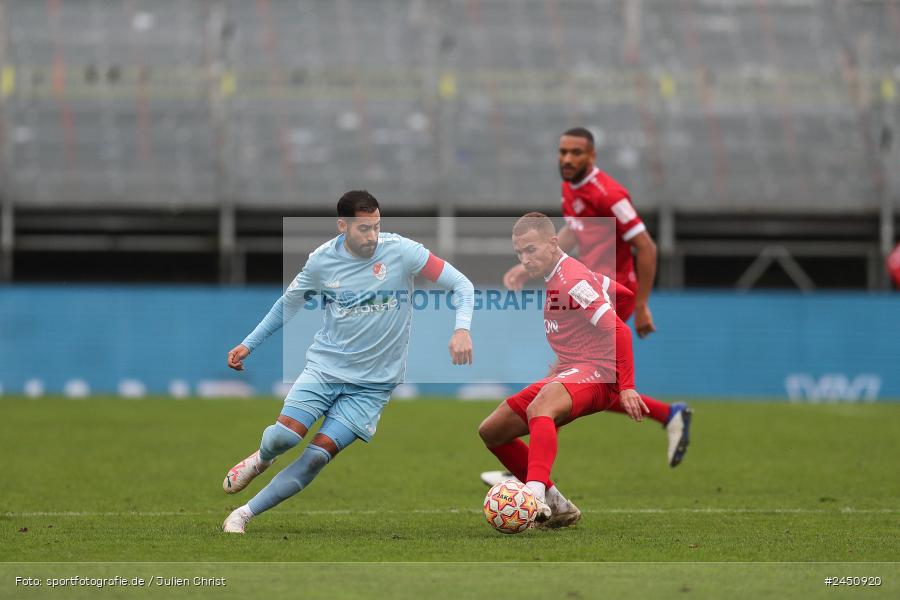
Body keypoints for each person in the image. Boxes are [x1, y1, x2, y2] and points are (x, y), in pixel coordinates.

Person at [221, 190, 475, 533]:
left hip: (373, 386)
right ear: (343, 226)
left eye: (376, 227)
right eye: (363, 229)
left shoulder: (402, 251)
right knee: (284, 438)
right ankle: (261, 459)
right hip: (325, 369)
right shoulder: (321, 261)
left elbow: (461, 284)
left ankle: (243, 514)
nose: (372, 236)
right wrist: (249, 344)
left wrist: (462, 330)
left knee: (315, 457)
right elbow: (288, 304)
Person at [497, 127, 691, 469]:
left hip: (608, 291)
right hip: (587, 284)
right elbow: (573, 231)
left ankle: (531, 469)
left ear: (592, 157)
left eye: (576, 153)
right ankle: (670, 414)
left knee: (582, 381)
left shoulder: (610, 196)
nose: (567, 159)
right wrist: (530, 267)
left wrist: (643, 304)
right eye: (563, 152)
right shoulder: (570, 188)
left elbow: (645, 246)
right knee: (590, 380)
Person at [478, 213, 650, 528]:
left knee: (540, 406)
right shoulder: (564, 276)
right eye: (519, 253)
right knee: (493, 430)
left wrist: (625, 385)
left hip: (599, 374)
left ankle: (534, 496)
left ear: (554, 243)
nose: (525, 259)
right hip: (578, 367)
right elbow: (623, 297)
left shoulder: (572, 280)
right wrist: (583, 350)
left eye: (531, 250)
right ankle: (558, 505)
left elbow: (620, 332)